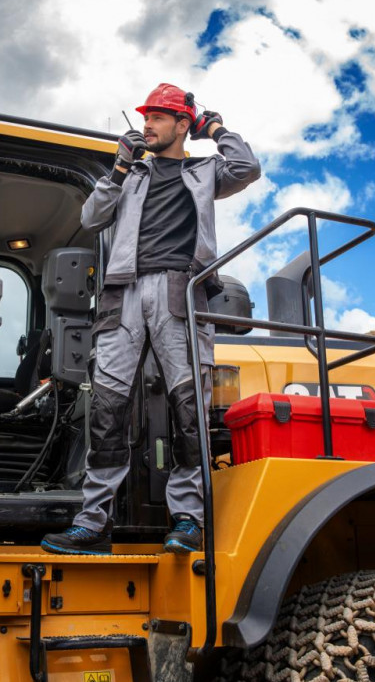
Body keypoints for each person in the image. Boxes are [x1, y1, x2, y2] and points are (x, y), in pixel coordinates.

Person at [41, 83, 261, 556]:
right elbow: (92, 216)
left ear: (182, 125)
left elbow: (247, 167)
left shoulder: (204, 171)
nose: (147, 124)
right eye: (146, 116)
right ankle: (93, 524)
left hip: (179, 293)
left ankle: (187, 519)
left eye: (159, 117)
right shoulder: (131, 175)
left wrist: (214, 128)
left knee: (188, 410)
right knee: (106, 411)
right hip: (124, 294)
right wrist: (119, 167)